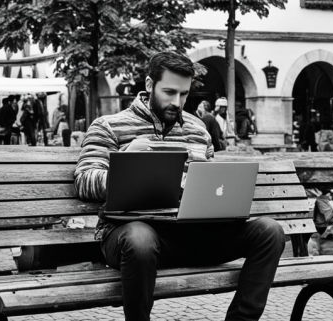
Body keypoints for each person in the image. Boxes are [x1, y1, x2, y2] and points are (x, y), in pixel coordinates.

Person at [74, 51, 285, 321]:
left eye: (184, 94)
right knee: (140, 239)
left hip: (192, 233)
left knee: (270, 231)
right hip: (132, 236)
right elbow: (84, 180)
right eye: (169, 92)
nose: (177, 102)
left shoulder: (198, 130)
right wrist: (128, 164)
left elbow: (211, 185)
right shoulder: (108, 127)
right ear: (149, 85)